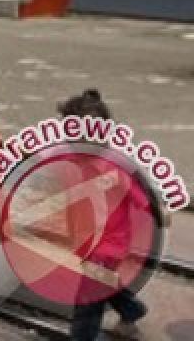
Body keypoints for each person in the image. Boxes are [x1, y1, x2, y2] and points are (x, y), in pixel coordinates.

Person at [56, 89, 152, 341]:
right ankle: (133, 310)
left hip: (107, 247)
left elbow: (143, 200)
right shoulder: (69, 158)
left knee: (87, 304)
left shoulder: (115, 166)